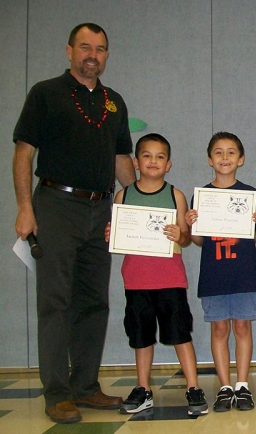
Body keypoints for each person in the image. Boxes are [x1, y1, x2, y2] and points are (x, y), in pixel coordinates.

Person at [12, 23, 135, 424]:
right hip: (55, 205)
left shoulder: (115, 101)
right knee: (55, 302)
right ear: (69, 51)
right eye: (85, 47)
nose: (92, 55)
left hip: (101, 211)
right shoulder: (45, 93)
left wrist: (141, 207)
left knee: (94, 301)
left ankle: (85, 386)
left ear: (106, 55)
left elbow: (122, 164)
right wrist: (25, 208)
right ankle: (57, 393)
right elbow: (23, 155)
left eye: (100, 49)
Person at [105, 134, 207, 416]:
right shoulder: (123, 195)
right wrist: (111, 235)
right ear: (136, 162)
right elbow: (118, 235)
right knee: (141, 337)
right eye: (147, 156)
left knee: (180, 335)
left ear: (169, 164)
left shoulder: (176, 196)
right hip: (136, 280)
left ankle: (193, 387)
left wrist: (181, 235)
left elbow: (185, 239)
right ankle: (143, 389)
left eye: (160, 156)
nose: (153, 161)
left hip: (170, 279)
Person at [186, 132, 256, 412]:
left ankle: (242, 386)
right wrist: (191, 224)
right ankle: (224, 386)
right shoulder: (201, 196)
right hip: (213, 274)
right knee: (219, 328)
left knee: (243, 326)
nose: (224, 157)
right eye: (218, 152)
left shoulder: (250, 194)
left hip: (243, 273)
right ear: (210, 159)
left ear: (241, 159)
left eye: (231, 152)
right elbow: (197, 241)